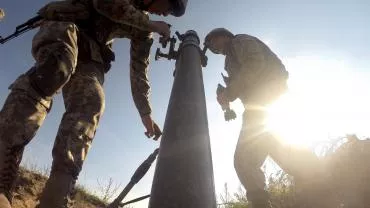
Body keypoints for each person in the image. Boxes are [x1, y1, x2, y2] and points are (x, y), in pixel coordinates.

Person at [0, 0, 187, 207]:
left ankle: (57, 195)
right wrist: (151, 24)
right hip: (66, 28)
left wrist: (146, 115)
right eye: (169, 7)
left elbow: (139, 72)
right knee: (56, 68)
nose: (165, 14)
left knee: (92, 102)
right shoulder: (146, 22)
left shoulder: (144, 29)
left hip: (91, 54)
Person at [204, 28, 331, 208]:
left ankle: (317, 186)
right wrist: (226, 98)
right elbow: (243, 81)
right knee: (282, 151)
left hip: (265, 101)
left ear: (222, 36)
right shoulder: (230, 57)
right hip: (264, 103)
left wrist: (230, 91)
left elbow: (255, 63)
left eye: (211, 42)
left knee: (245, 160)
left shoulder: (238, 42)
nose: (211, 48)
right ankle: (320, 186)